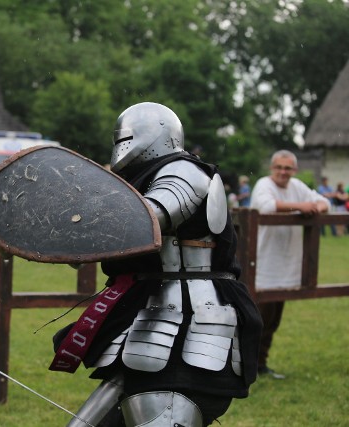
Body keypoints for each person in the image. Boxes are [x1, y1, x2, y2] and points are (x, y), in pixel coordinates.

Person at [53, 102, 262, 427]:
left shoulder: (184, 171)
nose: (119, 146)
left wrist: (80, 224)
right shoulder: (142, 178)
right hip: (150, 308)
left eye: (123, 137)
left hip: (191, 316)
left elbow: (144, 219)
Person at [250, 150, 329, 380]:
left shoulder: (297, 187)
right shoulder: (263, 184)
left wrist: (313, 207)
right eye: (279, 167)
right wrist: (301, 207)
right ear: (272, 168)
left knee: (273, 321)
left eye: (288, 168)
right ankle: (247, 366)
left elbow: (323, 202)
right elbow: (265, 206)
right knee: (258, 319)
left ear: (294, 170)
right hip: (264, 264)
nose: (283, 172)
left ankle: (260, 364)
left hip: (286, 265)